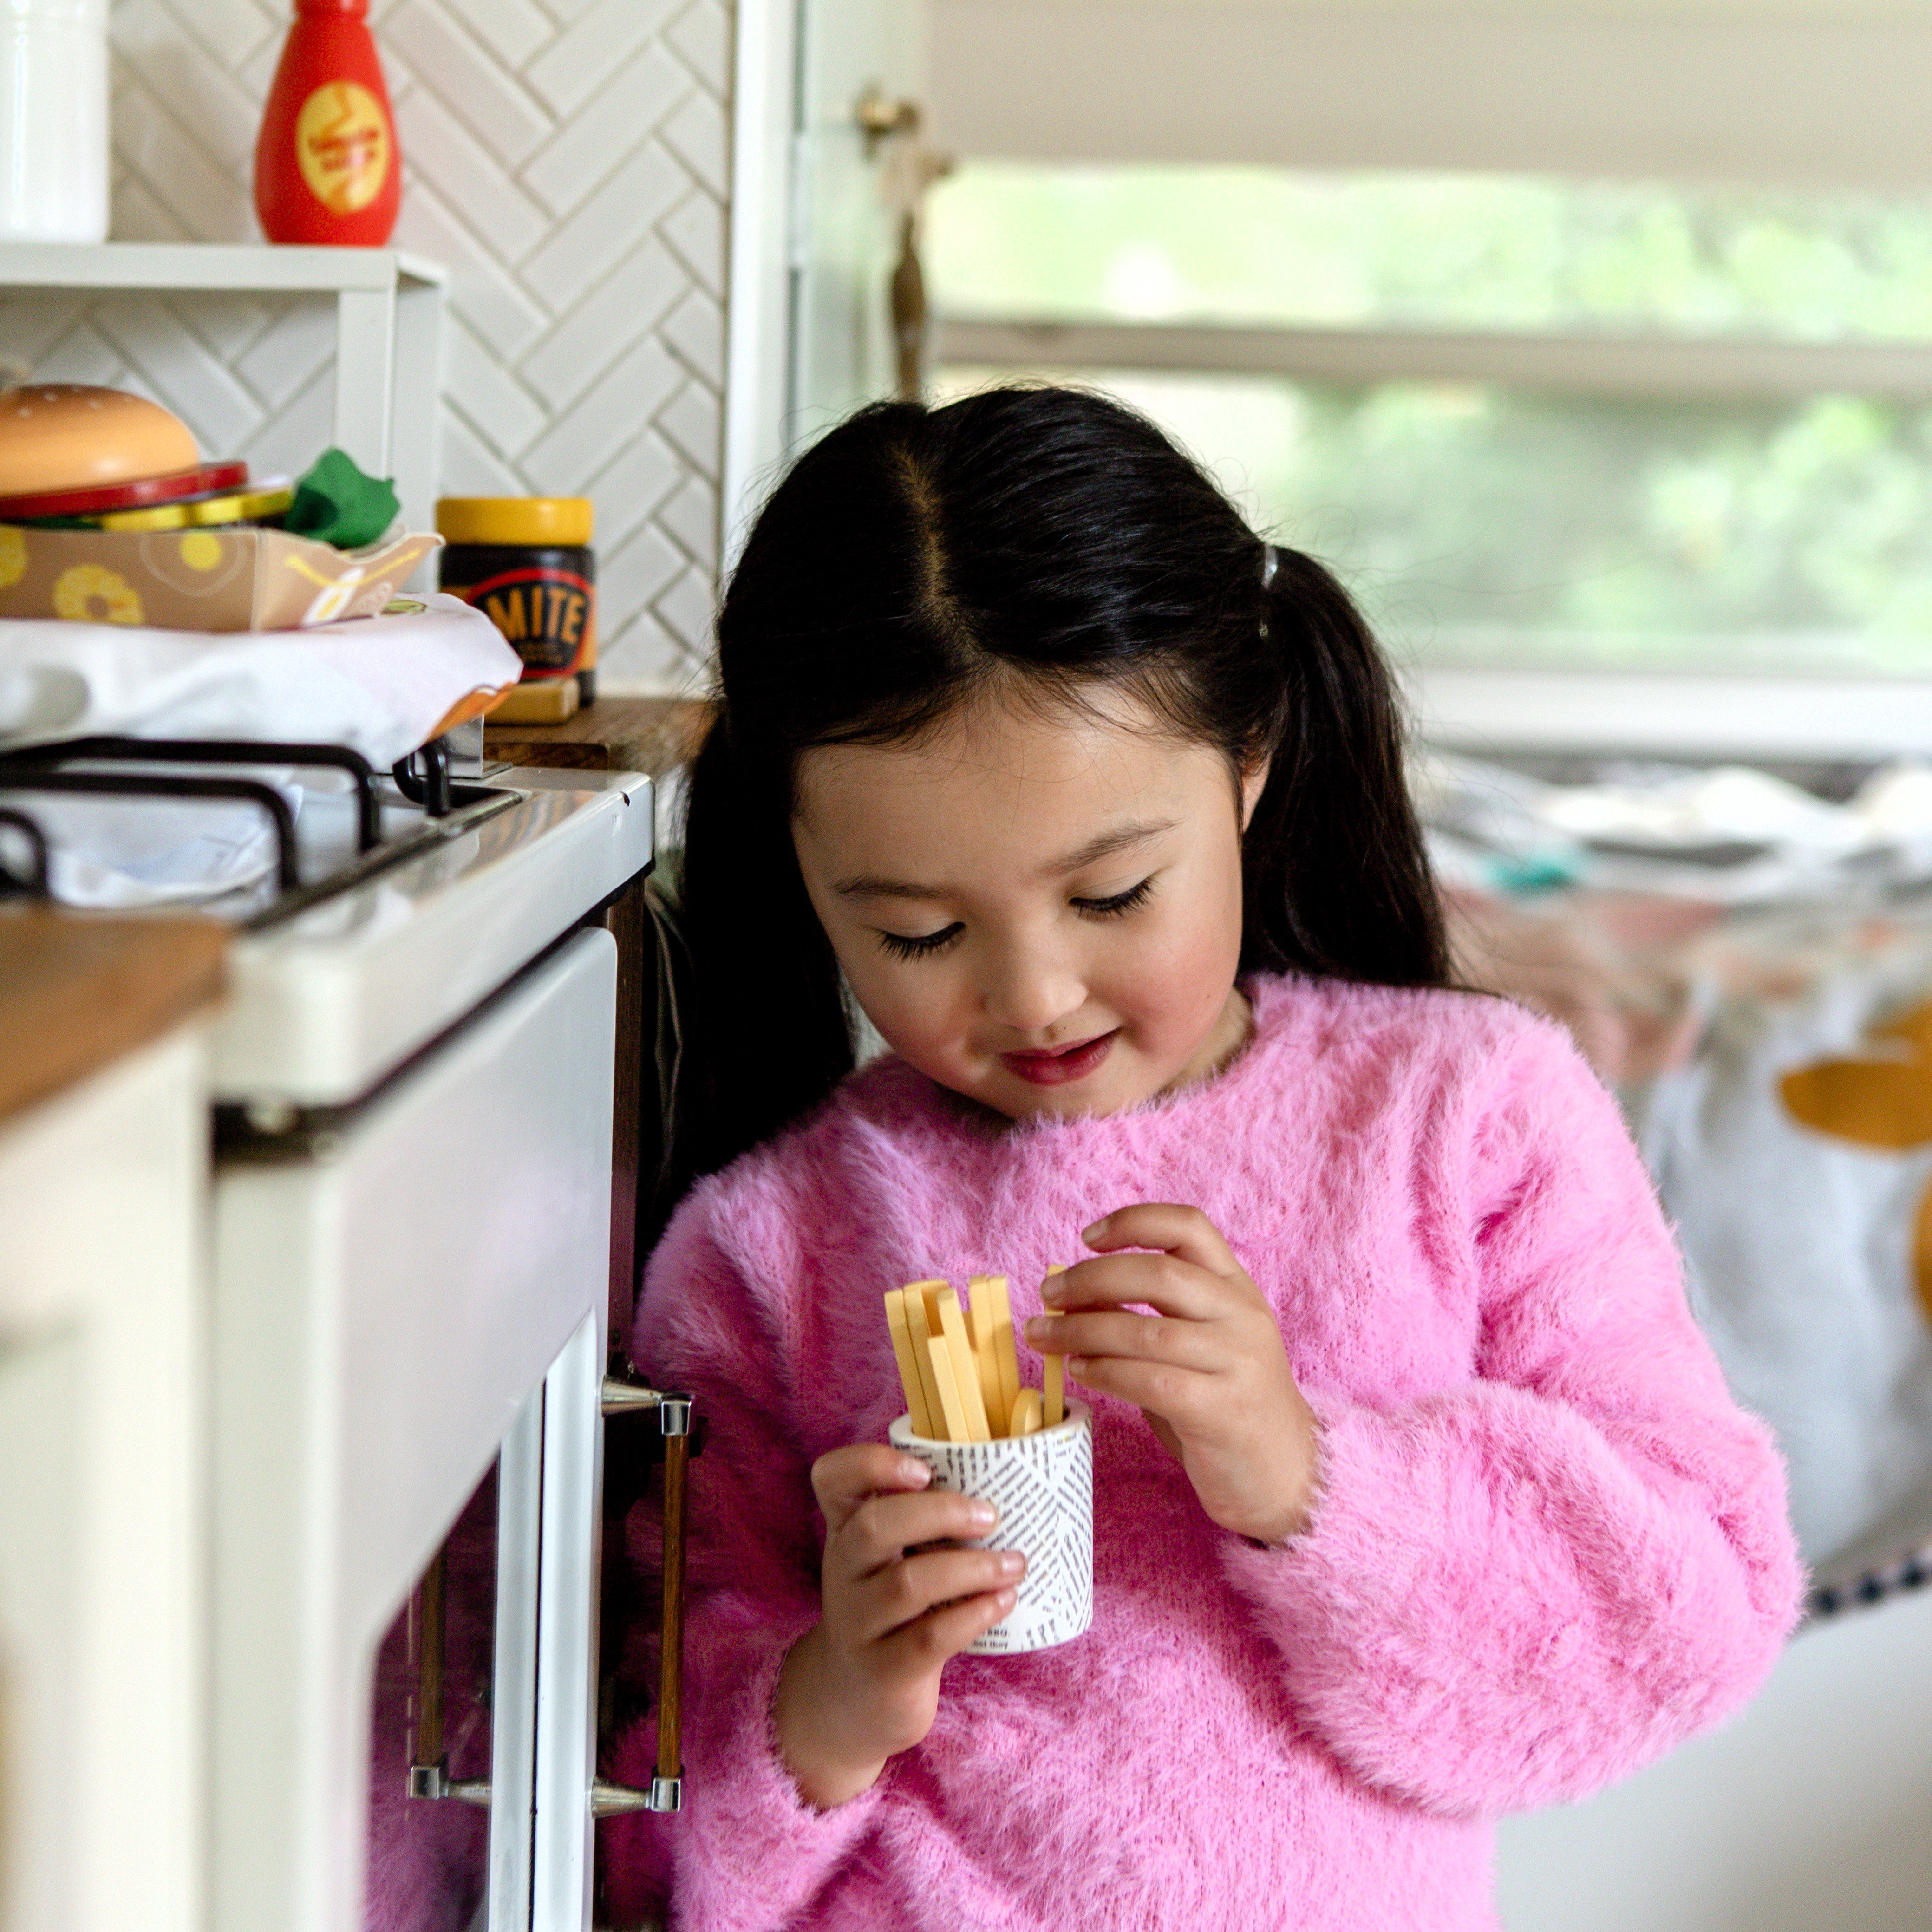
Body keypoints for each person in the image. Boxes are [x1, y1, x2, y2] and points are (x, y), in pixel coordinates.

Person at [603, 385, 1802, 1931]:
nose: (1030, 995)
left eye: (1112, 896)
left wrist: (1308, 1475)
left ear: (1249, 762)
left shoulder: (1465, 1116)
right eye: (917, 931)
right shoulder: (777, 1243)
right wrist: (833, 1701)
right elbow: (625, 1820)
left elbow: (1693, 1622)